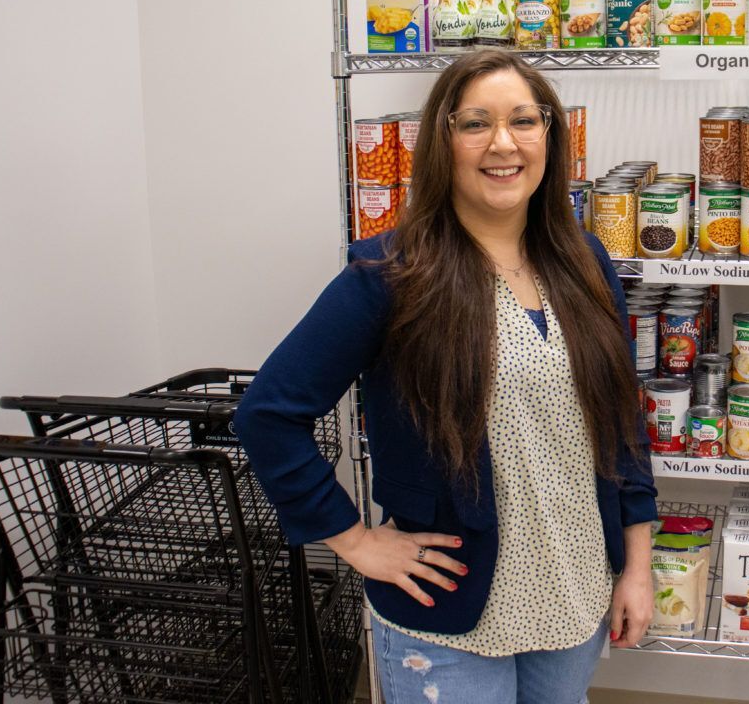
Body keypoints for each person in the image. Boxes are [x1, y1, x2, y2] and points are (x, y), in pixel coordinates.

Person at [235, 48, 657, 704]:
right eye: (474, 124)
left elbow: (621, 424)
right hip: (449, 612)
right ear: (443, 141)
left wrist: (637, 566)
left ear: (549, 136)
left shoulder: (585, 262)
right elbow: (268, 414)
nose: (502, 143)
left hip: (574, 592)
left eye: (523, 120)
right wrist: (354, 540)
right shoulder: (392, 275)